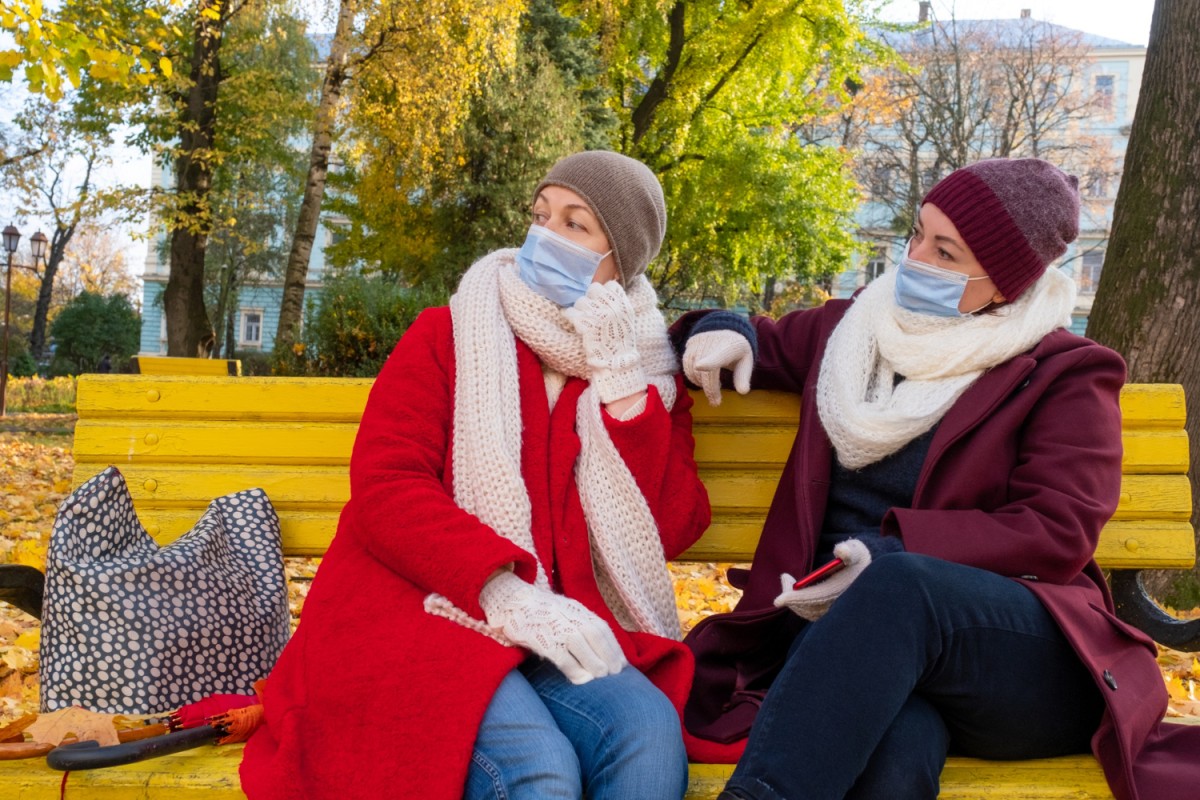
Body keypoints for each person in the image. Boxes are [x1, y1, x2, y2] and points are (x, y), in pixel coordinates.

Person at [673, 158, 1200, 800]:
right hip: (864, 657)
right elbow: (755, 335)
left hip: (1015, 658)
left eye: (944, 251)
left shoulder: (1066, 372)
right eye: (917, 233)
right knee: (891, 767)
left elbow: (1056, 530)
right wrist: (719, 332)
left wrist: (889, 552)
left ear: (1003, 283)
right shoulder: (855, 329)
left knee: (900, 585)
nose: (915, 258)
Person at [239, 151, 711, 800]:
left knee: (648, 736)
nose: (545, 236)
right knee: (538, 771)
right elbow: (388, 485)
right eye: (541, 215)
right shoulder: (450, 333)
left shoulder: (647, 368)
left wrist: (625, 390)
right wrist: (503, 591)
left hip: (558, 628)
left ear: (620, 259)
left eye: (576, 225)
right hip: (421, 612)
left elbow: (670, 526)